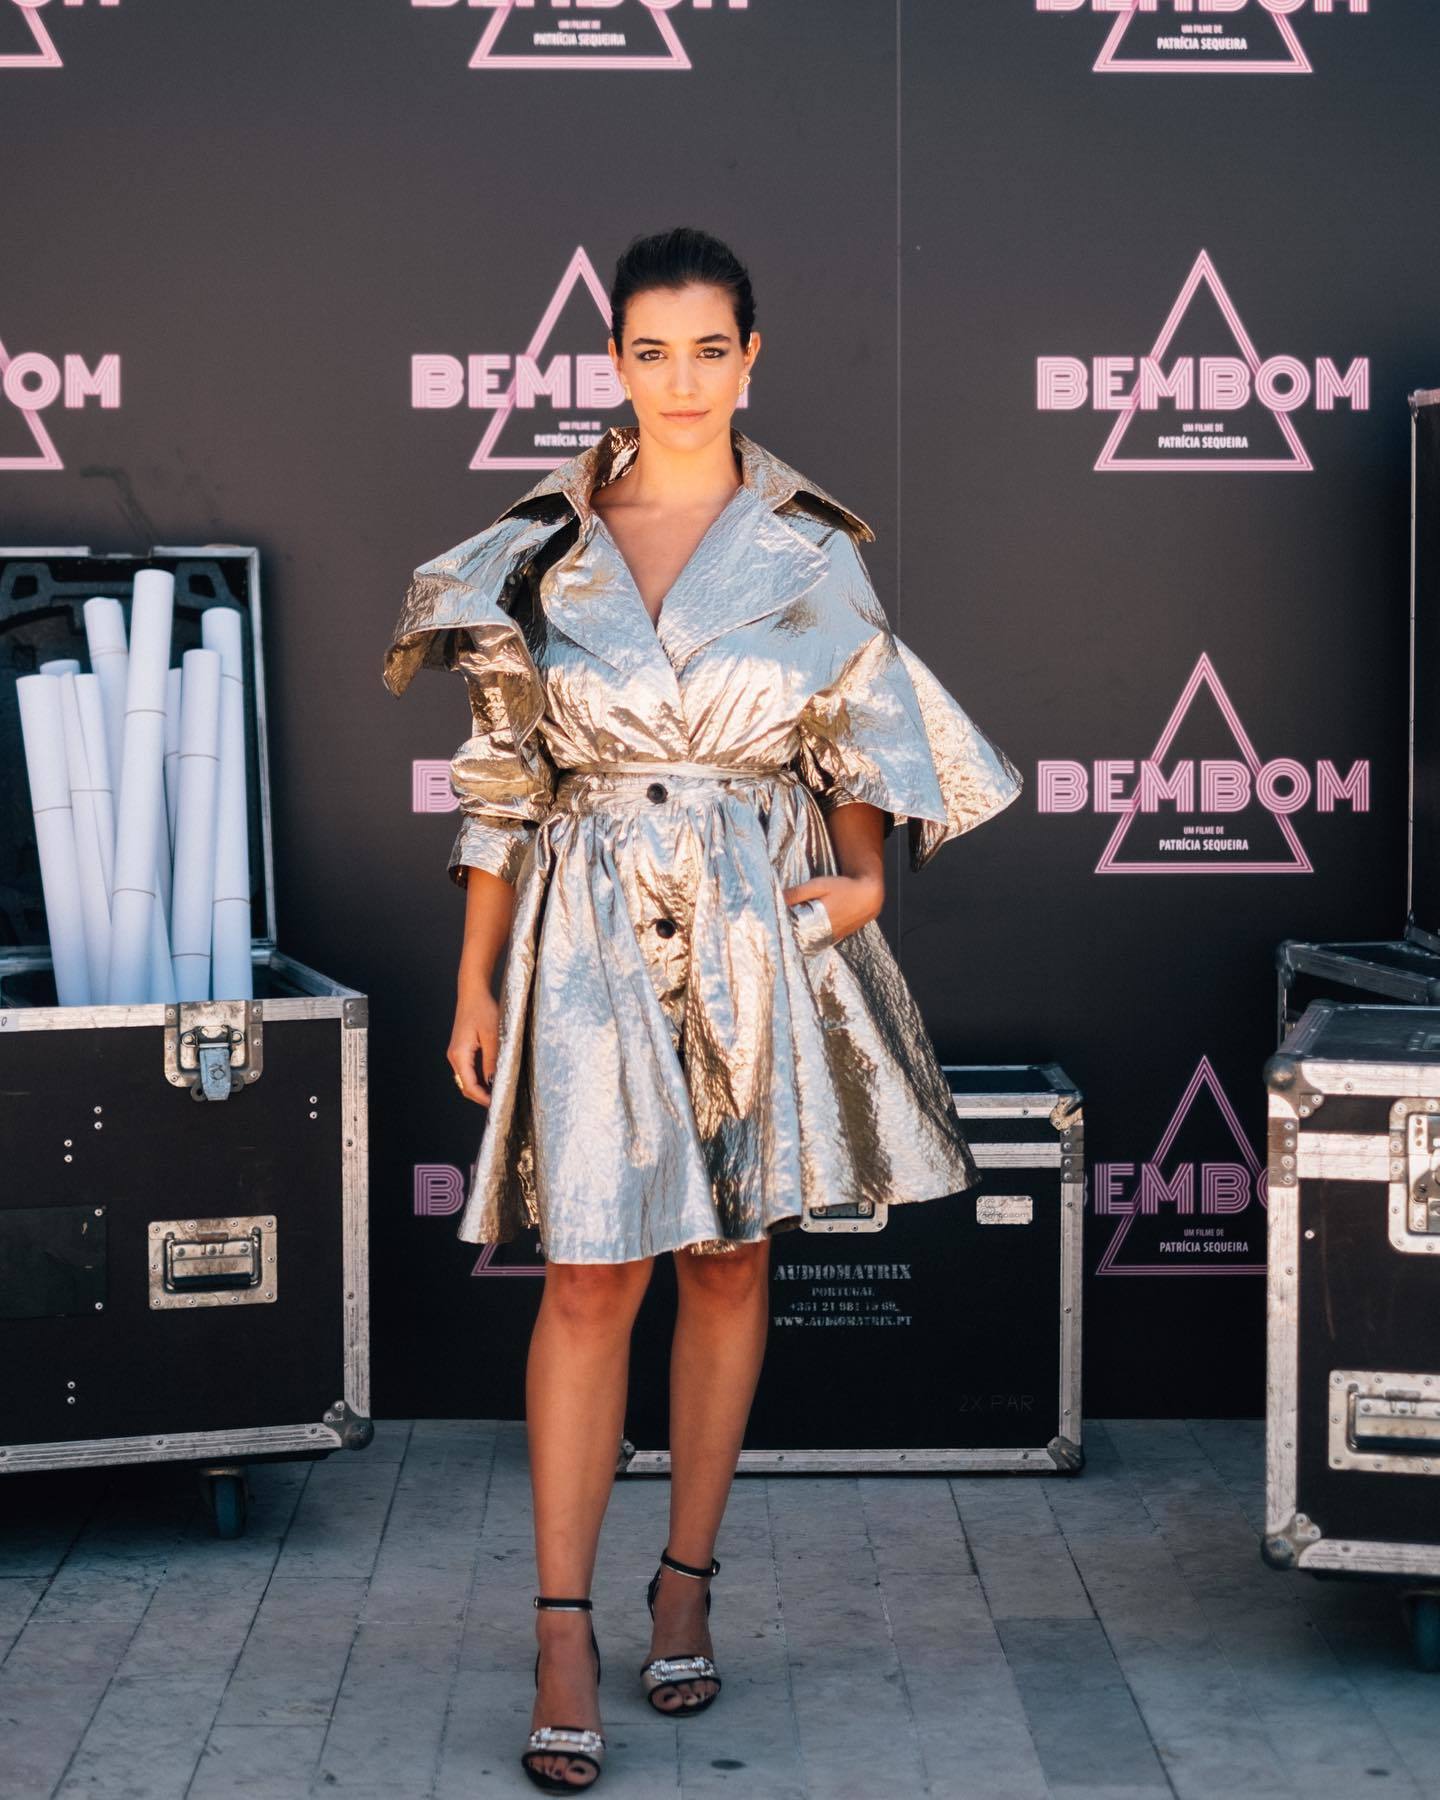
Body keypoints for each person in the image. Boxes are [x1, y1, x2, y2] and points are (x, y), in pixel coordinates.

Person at [383, 226, 1022, 1793]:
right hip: (588, 924)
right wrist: (473, 973)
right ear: (614, 362)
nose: (680, 380)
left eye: (708, 350)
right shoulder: (536, 552)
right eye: (650, 352)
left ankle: (684, 1584)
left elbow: (859, 725)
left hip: (752, 920)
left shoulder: (808, 550)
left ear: (751, 359)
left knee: (730, 1259)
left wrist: (862, 881)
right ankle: (560, 1631)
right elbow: (502, 783)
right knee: (590, 1275)